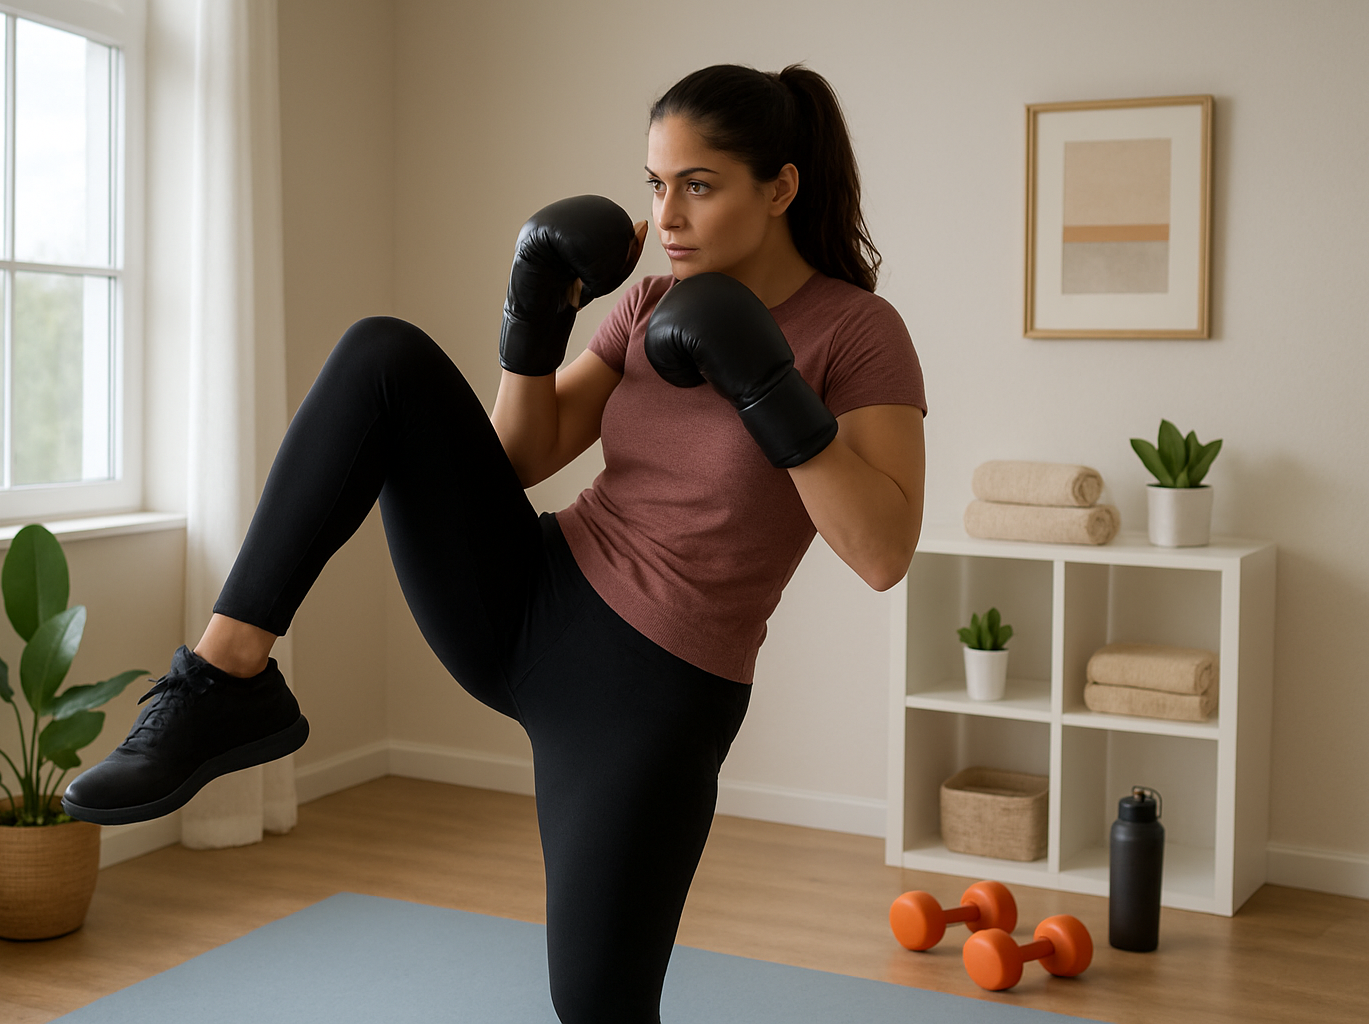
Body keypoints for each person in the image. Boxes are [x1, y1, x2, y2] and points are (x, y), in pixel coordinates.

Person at [64, 63, 926, 1023]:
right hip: (528, 595)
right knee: (381, 354)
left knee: (599, 1006)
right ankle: (224, 683)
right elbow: (520, 454)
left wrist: (766, 386)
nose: (668, 216)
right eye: (655, 183)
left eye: (699, 184)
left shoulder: (856, 331)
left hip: (652, 690)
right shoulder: (645, 306)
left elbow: (882, 551)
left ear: (780, 187)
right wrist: (535, 320)